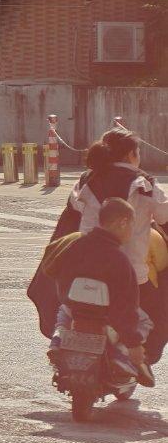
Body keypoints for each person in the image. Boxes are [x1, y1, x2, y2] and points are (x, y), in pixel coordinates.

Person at [57, 127, 168, 364]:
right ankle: (142, 358)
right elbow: (164, 215)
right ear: (130, 155)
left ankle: (59, 340)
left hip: (84, 267)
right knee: (160, 312)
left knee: (65, 308)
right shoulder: (143, 183)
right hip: (129, 272)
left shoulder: (88, 179)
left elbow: (73, 211)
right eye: (137, 151)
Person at [43, 196, 155, 388]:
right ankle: (121, 356)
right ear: (122, 222)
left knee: (63, 310)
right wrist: (133, 344)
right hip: (107, 317)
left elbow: (50, 268)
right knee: (145, 320)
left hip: (75, 309)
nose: (131, 231)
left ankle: (58, 338)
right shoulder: (120, 260)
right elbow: (125, 307)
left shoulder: (74, 244)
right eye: (131, 225)